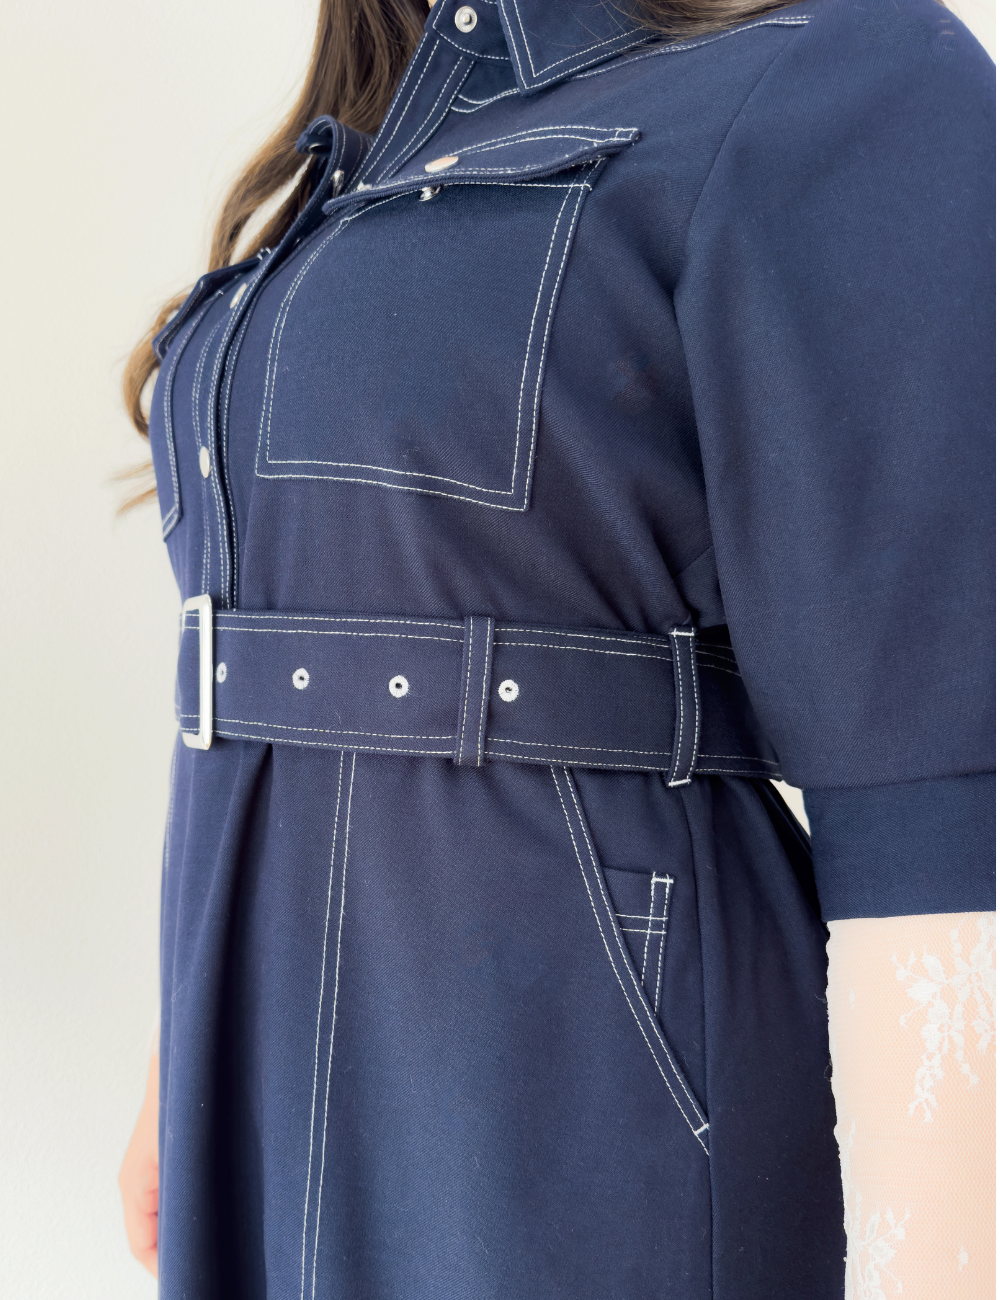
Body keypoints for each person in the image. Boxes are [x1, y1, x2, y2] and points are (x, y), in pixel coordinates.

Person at [117, 0, 995, 1293]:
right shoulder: (371, 148)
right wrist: (186, 1046)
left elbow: (931, 801)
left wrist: (941, 1267)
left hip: (566, 1111)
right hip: (266, 1081)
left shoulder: (844, 79)